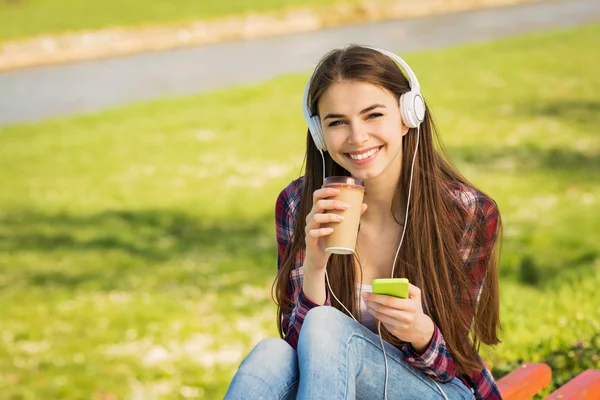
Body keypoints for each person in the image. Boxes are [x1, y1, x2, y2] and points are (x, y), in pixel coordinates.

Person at [225, 45, 502, 400]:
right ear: (320, 135)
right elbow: (299, 353)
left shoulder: (466, 212)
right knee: (271, 355)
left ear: (407, 116)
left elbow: (450, 364)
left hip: (438, 389)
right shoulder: (299, 205)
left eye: (373, 115)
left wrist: (419, 330)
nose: (357, 137)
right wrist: (314, 265)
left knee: (325, 326)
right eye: (337, 122)